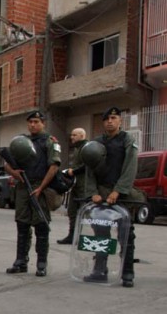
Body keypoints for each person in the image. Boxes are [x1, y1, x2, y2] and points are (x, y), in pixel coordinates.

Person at [83, 107, 139, 288]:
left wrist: (118, 191)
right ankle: (99, 270)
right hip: (100, 194)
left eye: (113, 118)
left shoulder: (127, 140)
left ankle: (127, 272)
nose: (110, 121)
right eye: (106, 119)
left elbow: (130, 167)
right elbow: (89, 170)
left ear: (120, 121)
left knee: (126, 234)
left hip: (121, 195)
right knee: (100, 234)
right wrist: (93, 193)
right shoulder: (96, 142)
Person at [4, 111, 60, 277]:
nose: (32, 125)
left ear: (43, 123)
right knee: (22, 224)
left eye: (36, 122)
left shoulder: (50, 141)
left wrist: (41, 188)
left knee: (41, 226)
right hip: (23, 186)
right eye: (30, 122)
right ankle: (21, 261)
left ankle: (41, 263)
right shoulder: (22, 141)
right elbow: (7, 164)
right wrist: (16, 174)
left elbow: (54, 166)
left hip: (40, 186)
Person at [57, 128, 88, 245]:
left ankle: (84, 237)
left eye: (74, 135)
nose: (72, 137)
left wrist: (73, 171)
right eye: (72, 135)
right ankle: (72, 235)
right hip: (75, 185)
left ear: (82, 135)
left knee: (85, 212)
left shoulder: (86, 148)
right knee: (72, 211)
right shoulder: (77, 149)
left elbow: (87, 165)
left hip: (84, 186)